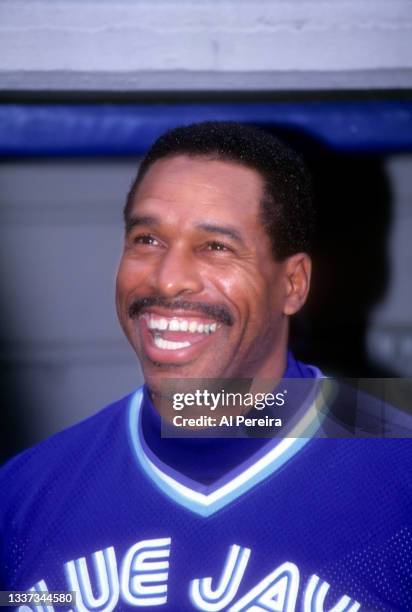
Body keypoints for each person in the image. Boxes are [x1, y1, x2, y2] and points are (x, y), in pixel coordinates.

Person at [0, 121, 411, 611]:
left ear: (293, 284)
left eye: (216, 247)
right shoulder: (23, 498)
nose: (169, 279)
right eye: (147, 239)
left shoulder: (397, 478)